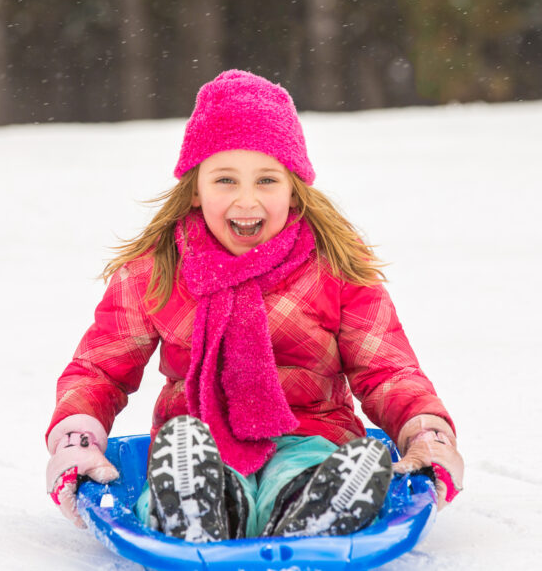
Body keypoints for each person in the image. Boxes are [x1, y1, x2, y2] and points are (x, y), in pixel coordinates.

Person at [45, 70, 464, 541]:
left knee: (304, 465)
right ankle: (194, 504)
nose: (247, 200)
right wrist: (76, 439)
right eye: (225, 179)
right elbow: (99, 369)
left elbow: (387, 370)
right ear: (196, 189)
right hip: (198, 442)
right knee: (195, 463)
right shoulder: (157, 271)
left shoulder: (334, 267)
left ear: (293, 188)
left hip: (313, 435)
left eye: (267, 179)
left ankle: (316, 502)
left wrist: (425, 433)